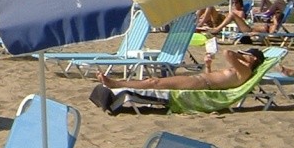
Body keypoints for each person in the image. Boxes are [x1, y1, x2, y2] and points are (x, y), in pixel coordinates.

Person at [100, 48, 265, 92]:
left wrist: (240, 55)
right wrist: (207, 65)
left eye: (246, 54)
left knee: (155, 82)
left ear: (254, 59)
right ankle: (119, 84)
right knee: (154, 82)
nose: (242, 54)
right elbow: (213, 75)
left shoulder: (245, 72)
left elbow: (227, 53)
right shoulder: (237, 69)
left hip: (201, 83)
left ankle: (116, 83)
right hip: (201, 79)